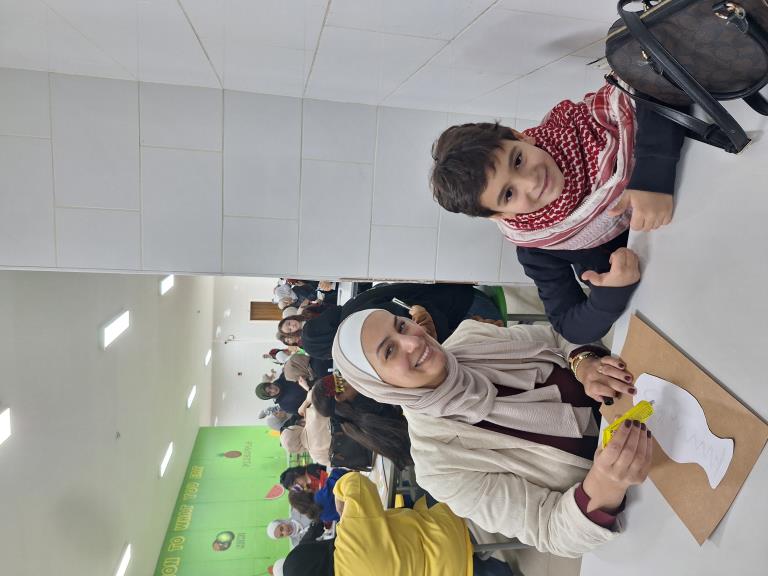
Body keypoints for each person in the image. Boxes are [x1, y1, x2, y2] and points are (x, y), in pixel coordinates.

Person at [332, 308, 653, 557]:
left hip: (652, 393)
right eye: (389, 351)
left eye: (401, 326)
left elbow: (558, 335)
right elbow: (551, 530)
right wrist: (606, 483)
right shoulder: (441, 466)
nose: (413, 342)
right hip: (650, 488)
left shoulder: (472, 336)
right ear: (381, 387)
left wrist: (582, 362)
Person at [430, 83, 686, 344]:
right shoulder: (537, 250)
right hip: (680, 283)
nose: (531, 181)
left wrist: (653, 173)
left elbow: (656, 84)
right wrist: (610, 294)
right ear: (499, 215)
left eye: (518, 160)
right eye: (508, 194)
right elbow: (569, 326)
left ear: (520, 137)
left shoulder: (587, 121)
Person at [281, 472, 515, 576]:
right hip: (445, 536)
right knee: (426, 480)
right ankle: (502, 496)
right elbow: (356, 482)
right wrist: (340, 496)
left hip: (450, 571)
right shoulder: (349, 540)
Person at [300, 282, 503, 361]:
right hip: (462, 296)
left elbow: (428, 332)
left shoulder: (363, 322)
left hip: (470, 310)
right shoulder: (350, 307)